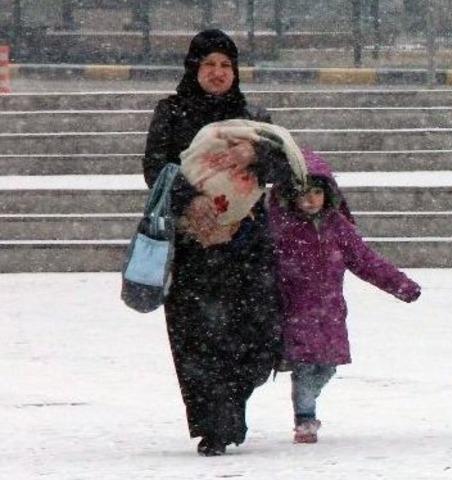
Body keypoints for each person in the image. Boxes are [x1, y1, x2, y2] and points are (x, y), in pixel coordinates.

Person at [142, 29, 299, 456]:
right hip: (195, 245)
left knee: (258, 334)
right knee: (199, 338)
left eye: (225, 65)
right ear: (194, 68)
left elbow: (286, 169)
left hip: (246, 243)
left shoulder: (252, 116)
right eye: (209, 64)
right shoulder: (172, 112)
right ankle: (216, 423)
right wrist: (192, 204)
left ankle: (230, 406)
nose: (217, 73)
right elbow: (156, 166)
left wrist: (255, 156)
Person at [268, 151, 421, 444]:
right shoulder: (282, 230)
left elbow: (366, 261)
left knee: (327, 365)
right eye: (303, 194)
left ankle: (308, 401)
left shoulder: (336, 227)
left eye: (316, 192)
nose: (311, 200)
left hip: (330, 311)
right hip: (294, 309)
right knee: (304, 365)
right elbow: (264, 265)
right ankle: (305, 417)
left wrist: (400, 285)